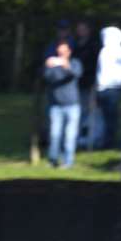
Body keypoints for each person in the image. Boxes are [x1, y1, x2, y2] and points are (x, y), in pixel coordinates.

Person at [44, 40, 83, 169]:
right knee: (55, 134)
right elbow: (47, 78)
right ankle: (53, 160)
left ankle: (68, 162)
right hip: (56, 106)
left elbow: (75, 74)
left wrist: (66, 66)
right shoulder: (52, 67)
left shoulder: (75, 63)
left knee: (70, 136)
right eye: (59, 52)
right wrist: (49, 65)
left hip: (72, 106)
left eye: (64, 51)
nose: (61, 54)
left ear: (69, 52)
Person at [93, 25, 121, 148]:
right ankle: (103, 139)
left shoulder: (117, 52)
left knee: (110, 117)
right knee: (103, 116)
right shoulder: (107, 51)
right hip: (104, 88)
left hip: (111, 89)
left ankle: (109, 142)